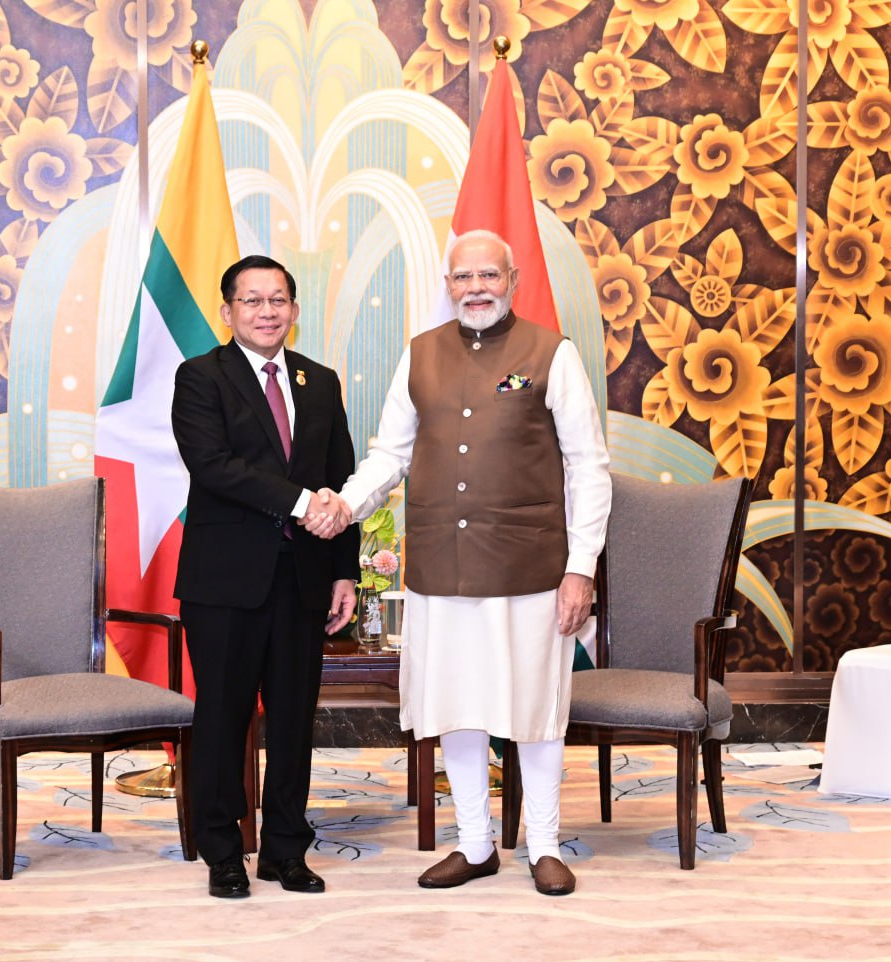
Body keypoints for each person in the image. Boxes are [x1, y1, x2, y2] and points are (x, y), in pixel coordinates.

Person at [312, 229, 611, 896]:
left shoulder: (551, 353)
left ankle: (544, 845)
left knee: (535, 708)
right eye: (463, 277)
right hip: (441, 568)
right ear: (447, 285)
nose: (476, 287)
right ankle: (475, 843)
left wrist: (581, 567)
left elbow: (589, 467)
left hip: (531, 569)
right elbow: (389, 455)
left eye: (489, 275)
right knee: (456, 706)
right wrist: (345, 504)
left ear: (512, 281)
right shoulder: (420, 354)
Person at [171, 254, 359, 899]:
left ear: (295, 310)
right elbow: (214, 465)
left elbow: (341, 478)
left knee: (293, 719)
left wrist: (344, 573)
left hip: (303, 579)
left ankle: (285, 849)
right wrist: (304, 503)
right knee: (223, 717)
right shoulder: (201, 377)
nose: (266, 311)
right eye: (252, 300)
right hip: (225, 581)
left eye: (277, 300)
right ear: (228, 311)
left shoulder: (320, 381)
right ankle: (223, 850)